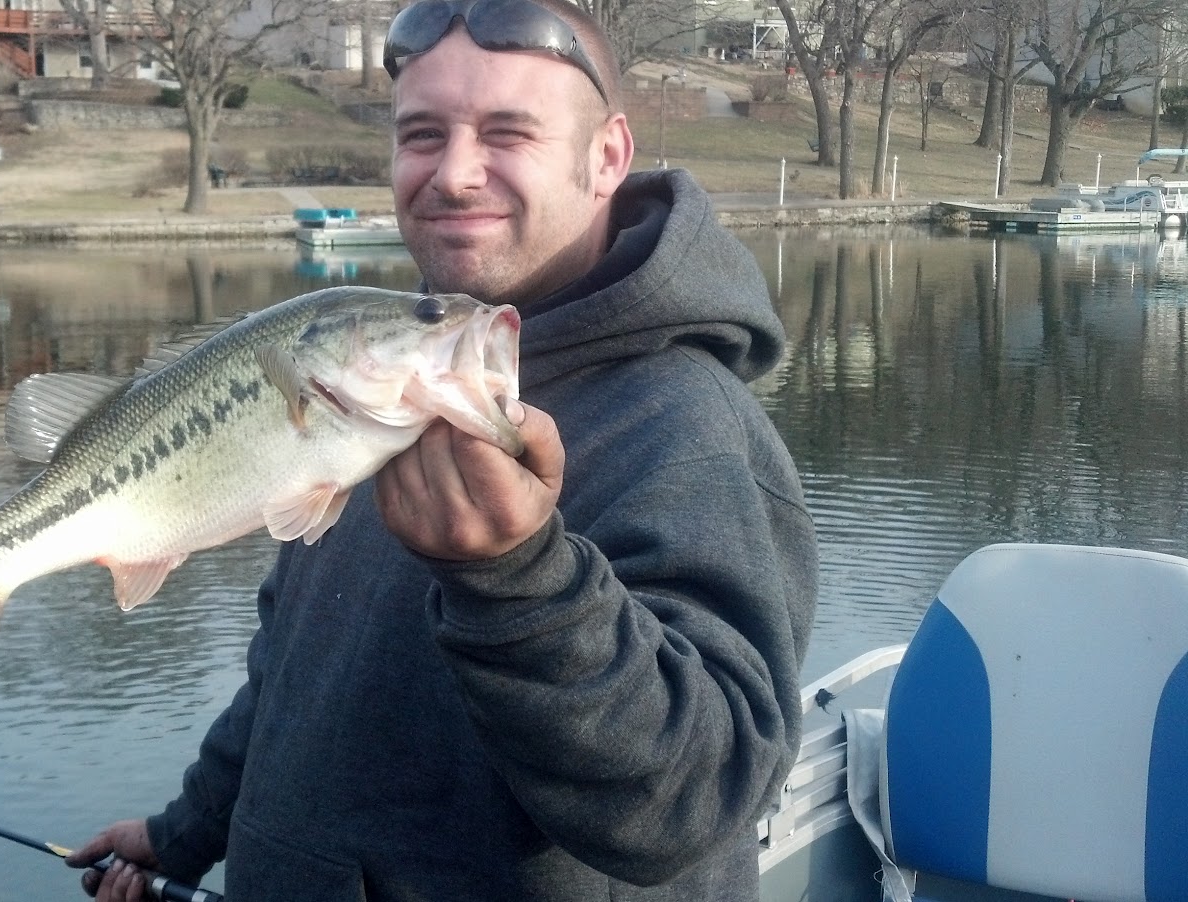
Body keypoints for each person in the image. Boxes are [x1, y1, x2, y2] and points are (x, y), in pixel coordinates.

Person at [68, 0, 816, 898]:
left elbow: (692, 804)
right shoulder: (364, 386)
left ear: (607, 156)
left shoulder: (692, 432)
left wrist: (520, 580)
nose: (455, 173)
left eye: (508, 132)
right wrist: (183, 831)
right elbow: (296, 672)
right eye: (423, 133)